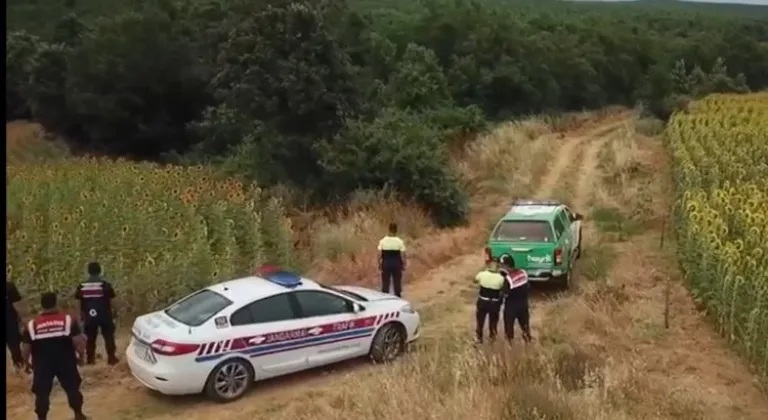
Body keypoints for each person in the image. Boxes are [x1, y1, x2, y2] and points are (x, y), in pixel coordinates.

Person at [21, 292, 88, 420]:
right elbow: (78, 342)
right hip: (66, 361)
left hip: (42, 364)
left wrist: (26, 363)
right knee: (72, 388)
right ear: (55, 303)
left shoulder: (32, 325)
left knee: (42, 393)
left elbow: (26, 347)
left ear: (41, 305)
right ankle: (79, 414)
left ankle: (42, 418)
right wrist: (81, 356)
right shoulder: (67, 320)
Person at [74, 262, 119, 365]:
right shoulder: (105, 285)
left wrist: (81, 315)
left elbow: (79, 302)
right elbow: (113, 301)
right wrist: (115, 312)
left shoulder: (82, 286)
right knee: (108, 336)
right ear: (100, 271)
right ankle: (111, 359)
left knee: (90, 338)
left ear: (88, 272)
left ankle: (90, 360)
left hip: (89, 316)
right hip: (105, 315)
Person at [499, 255, 532, 343]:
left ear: (506, 266)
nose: (500, 267)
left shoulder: (508, 279)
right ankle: (528, 344)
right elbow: (529, 288)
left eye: (502, 265)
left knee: (509, 330)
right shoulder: (523, 273)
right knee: (525, 327)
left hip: (511, 307)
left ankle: (510, 348)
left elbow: (503, 294)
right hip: (523, 304)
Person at [473, 260, 505, 343]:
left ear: (488, 267)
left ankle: (479, 338)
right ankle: (492, 337)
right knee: (493, 321)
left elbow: (475, 281)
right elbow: (502, 289)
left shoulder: (482, 274)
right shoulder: (501, 278)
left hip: (483, 300)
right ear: (498, 268)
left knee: (480, 321)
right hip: (494, 302)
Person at [378, 222, 407, 297]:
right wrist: (404, 264)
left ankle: (385, 296)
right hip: (396, 263)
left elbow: (379, 254)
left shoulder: (383, 241)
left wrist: (379, 264)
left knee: (385, 282)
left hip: (386, 262)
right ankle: (397, 296)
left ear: (389, 229)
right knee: (397, 282)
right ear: (396, 230)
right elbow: (403, 254)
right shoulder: (399, 241)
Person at [6, 280, 25, 372]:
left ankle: (18, 365)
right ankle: (18, 365)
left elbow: (17, 304)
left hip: (10, 321)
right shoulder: (9, 286)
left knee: (14, 345)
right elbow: (17, 305)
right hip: (10, 321)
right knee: (14, 345)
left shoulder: (9, 286)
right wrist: (23, 319)